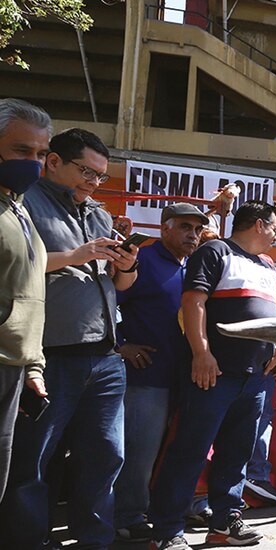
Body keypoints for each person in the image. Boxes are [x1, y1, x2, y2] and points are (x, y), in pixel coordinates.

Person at [1, 128, 137, 549]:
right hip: (50, 355)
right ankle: (29, 541)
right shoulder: (24, 204)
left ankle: (94, 540)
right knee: (35, 462)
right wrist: (78, 255)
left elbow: (121, 285)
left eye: (100, 176)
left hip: (105, 356)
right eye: (87, 172)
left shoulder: (97, 211)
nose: (94, 182)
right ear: (53, 161)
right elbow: (20, 267)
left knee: (105, 457)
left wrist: (126, 264)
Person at [146, 201, 276, 550]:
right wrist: (202, 353)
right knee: (189, 451)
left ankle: (225, 522)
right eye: (274, 227)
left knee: (237, 453)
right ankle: (166, 531)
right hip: (213, 374)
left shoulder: (269, 266)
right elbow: (193, 302)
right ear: (259, 224)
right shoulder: (215, 251)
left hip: (255, 378)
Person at [112, 203, 208, 541]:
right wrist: (120, 344)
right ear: (164, 228)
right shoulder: (145, 261)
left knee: (175, 450)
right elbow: (109, 302)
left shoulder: (194, 267)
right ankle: (128, 516)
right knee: (140, 451)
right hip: (146, 377)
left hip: (185, 377)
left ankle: (165, 508)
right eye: (184, 227)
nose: (192, 235)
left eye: (197, 230)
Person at [0, 98, 50, 503]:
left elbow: (26, 292)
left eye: (41, 153)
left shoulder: (18, 208)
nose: (33, 162)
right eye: (22, 150)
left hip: (15, 370)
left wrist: (32, 364)